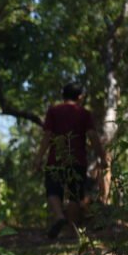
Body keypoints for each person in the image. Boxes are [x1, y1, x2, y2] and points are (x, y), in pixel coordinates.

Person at [33, 83, 107, 239]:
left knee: (52, 190)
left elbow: (47, 136)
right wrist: (102, 156)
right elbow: (92, 135)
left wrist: (39, 158)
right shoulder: (84, 113)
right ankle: (71, 231)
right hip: (77, 160)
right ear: (80, 97)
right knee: (75, 195)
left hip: (56, 159)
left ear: (63, 96)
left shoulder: (53, 111)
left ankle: (60, 216)